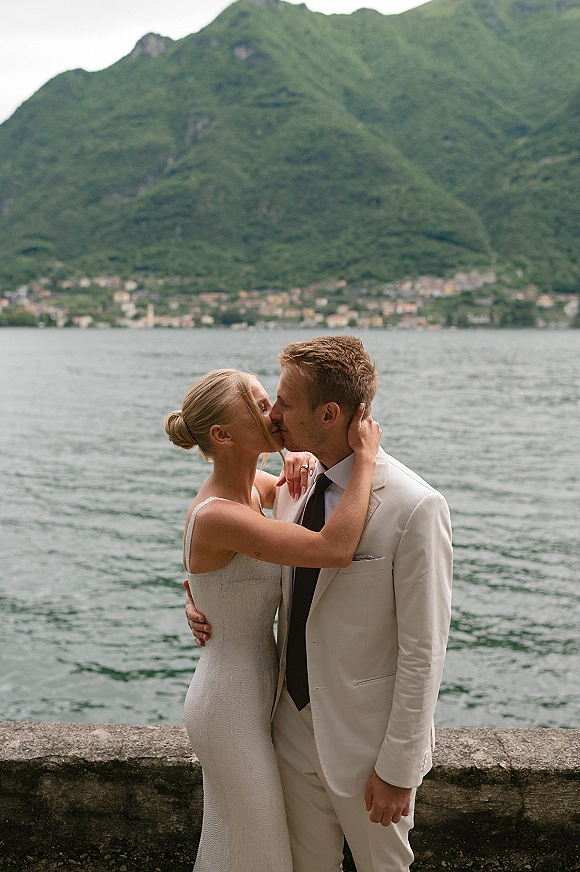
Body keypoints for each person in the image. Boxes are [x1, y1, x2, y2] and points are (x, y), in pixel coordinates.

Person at [187, 337, 453, 872]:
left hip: (366, 744)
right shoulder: (293, 487)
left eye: (283, 401)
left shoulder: (414, 505)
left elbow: (424, 650)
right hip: (285, 727)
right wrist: (198, 595)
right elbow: (223, 549)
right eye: (268, 401)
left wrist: (400, 768)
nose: (274, 413)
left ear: (328, 414)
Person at [164, 367, 382, 872]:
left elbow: (284, 497)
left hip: (262, 690)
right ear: (222, 435)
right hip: (228, 704)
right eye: (261, 407)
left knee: (253, 844)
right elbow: (334, 548)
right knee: (258, 846)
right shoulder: (220, 513)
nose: (276, 413)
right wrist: (366, 458)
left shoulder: (255, 489)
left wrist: (302, 455)